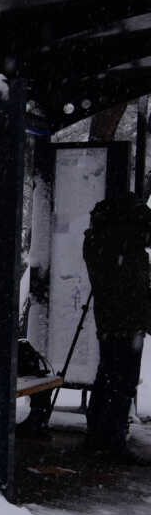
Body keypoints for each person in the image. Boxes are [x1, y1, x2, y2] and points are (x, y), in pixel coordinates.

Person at [81, 192, 151, 461]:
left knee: (108, 374)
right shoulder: (127, 245)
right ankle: (113, 440)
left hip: (108, 319)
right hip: (128, 321)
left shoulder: (98, 240)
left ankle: (97, 433)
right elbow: (133, 289)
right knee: (123, 380)